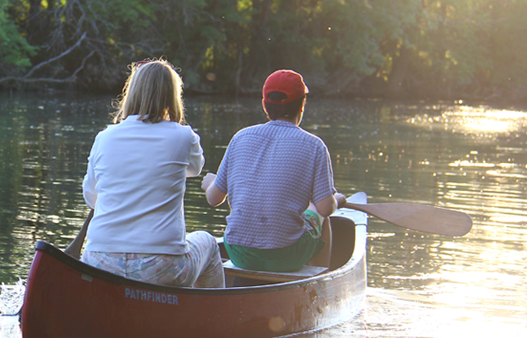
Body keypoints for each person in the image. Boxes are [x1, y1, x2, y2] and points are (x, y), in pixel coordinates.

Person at [65, 58, 225, 288]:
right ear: (172, 96)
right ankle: (209, 319)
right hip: (161, 266)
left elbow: (91, 198)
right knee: (209, 243)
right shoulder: (183, 136)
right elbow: (195, 169)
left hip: (100, 262)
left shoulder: (104, 138)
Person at [201, 69, 342, 272]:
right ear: (302, 106)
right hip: (285, 255)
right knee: (322, 219)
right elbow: (326, 208)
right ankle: (319, 284)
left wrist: (210, 184)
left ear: (264, 105)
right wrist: (337, 199)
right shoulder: (314, 145)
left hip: (238, 252)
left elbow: (214, 198)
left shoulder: (240, 137)